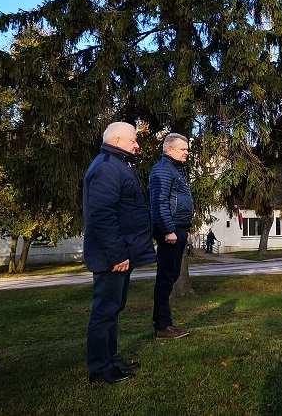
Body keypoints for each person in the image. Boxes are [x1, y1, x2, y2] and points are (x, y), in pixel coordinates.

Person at [83, 122, 156, 384]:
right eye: (133, 140)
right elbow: (102, 217)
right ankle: (100, 369)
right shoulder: (106, 167)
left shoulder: (117, 165)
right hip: (111, 258)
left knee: (113, 309)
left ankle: (110, 360)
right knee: (104, 311)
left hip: (118, 254)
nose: (137, 145)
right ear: (116, 140)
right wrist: (117, 255)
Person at [150, 133, 194, 339]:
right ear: (169, 150)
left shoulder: (176, 170)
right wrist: (169, 230)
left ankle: (164, 323)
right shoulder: (162, 170)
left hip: (179, 229)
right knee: (166, 277)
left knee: (172, 276)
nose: (187, 152)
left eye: (187, 149)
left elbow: (179, 202)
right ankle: (162, 326)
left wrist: (186, 229)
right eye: (182, 149)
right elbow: (159, 203)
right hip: (171, 229)